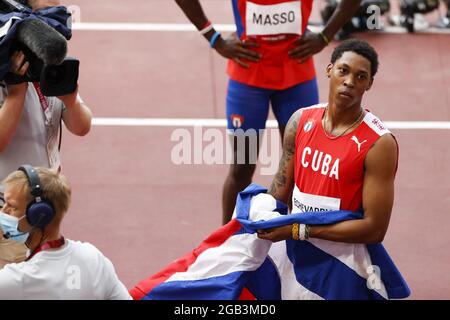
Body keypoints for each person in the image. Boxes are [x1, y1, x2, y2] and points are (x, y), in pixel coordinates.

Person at [175, 0, 363, 224]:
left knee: (301, 169)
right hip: (248, 79)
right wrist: (214, 39)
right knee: (242, 167)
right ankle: (227, 242)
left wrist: (325, 36)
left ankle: (297, 243)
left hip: (297, 79)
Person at [257, 39, 399, 247]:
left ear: (369, 84)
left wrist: (298, 229)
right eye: (343, 71)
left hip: (344, 260)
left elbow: (375, 229)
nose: (350, 81)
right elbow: (280, 191)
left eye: (361, 77)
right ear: (329, 70)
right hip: (296, 250)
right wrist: (258, 217)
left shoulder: (379, 144)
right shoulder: (300, 120)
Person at [0, 0, 92, 266]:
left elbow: (82, 127)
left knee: (41, 274)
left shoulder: (49, 69)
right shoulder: (5, 78)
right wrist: (16, 93)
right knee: (15, 280)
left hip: (44, 201)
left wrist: (71, 100)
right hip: (8, 208)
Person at [0, 166, 132, 299]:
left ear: (39, 215)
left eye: (12, 206)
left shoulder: (17, 279)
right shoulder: (93, 258)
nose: (3, 211)